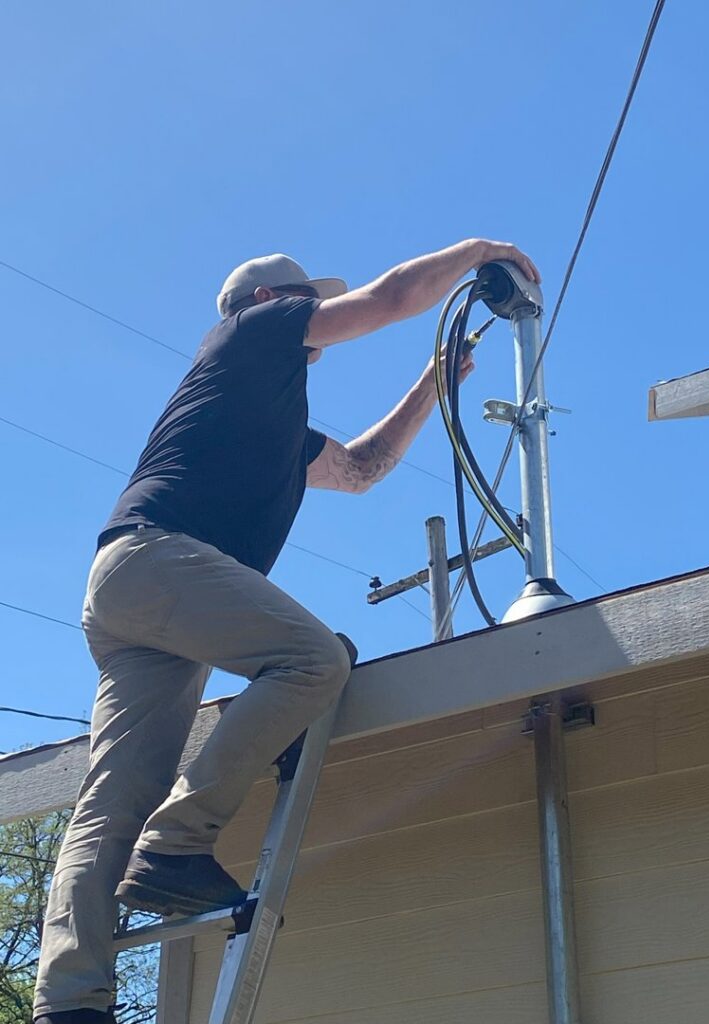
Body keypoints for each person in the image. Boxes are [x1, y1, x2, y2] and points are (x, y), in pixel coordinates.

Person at [33, 239, 540, 1023]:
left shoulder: (269, 415)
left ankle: (69, 1003)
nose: (314, 319)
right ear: (274, 302)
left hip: (136, 593)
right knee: (312, 659)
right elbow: (391, 297)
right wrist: (480, 250)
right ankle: (176, 844)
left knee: (113, 797)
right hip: (162, 563)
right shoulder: (251, 332)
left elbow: (363, 468)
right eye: (304, 300)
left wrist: (432, 387)